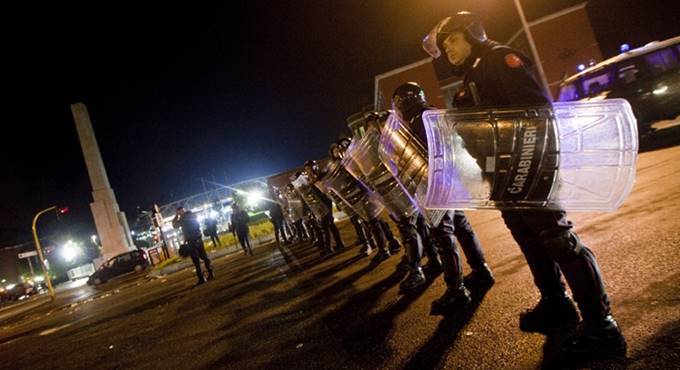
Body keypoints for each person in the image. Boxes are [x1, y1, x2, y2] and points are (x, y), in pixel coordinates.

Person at [422, 11, 626, 360]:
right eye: (443, 45)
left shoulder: (500, 59)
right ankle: (556, 303)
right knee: (529, 240)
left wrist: (528, 164)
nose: (448, 49)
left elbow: (536, 112)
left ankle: (601, 325)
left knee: (559, 241)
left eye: (452, 40)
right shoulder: (472, 75)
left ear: (472, 34)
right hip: (503, 177)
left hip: (529, 170)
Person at [392, 83, 493, 314]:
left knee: (443, 235)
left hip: (438, 184)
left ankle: (456, 290)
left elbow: (427, 157)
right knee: (461, 226)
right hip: (452, 179)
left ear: (402, 103)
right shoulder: (432, 113)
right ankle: (481, 269)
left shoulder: (419, 121)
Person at [302, 161, 346, 255]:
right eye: (306, 169)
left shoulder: (320, 175)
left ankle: (328, 248)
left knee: (325, 225)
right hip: (319, 204)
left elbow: (325, 189)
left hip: (326, 202)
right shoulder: (310, 179)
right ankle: (339, 243)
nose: (307, 171)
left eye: (308, 168)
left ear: (314, 167)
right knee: (330, 224)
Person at [172, 207, 214, 285]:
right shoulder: (192, 215)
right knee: (204, 256)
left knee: (196, 260)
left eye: (179, 212)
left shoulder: (183, 219)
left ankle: (201, 278)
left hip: (192, 241)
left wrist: (176, 216)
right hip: (198, 238)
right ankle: (211, 272)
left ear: (181, 211)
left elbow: (175, 225)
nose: (179, 214)